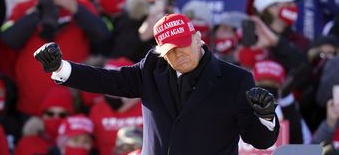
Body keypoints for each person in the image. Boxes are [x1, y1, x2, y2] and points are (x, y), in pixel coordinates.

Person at [34, 13, 280, 155]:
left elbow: (260, 141)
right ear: (161, 52)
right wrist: (61, 68)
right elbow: (109, 80)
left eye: (184, 45)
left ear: (198, 38)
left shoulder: (236, 79)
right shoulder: (153, 67)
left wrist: (266, 117)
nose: (179, 54)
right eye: (171, 51)